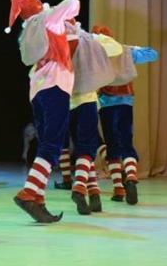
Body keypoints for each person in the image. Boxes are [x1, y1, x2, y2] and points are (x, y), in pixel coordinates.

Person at [5, 0, 79, 223]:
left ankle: (38, 199)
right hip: (56, 85)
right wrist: (59, 13)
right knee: (53, 144)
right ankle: (28, 193)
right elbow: (72, 1)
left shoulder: (27, 29)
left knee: (46, 143)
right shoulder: (48, 18)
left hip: (37, 89)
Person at [92, 25, 158, 205]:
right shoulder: (124, 51)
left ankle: (118, 189)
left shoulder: (95, 53)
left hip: (106, 103)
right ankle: (131, 176)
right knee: (127, 142)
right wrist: (132, 48)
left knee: (112, 146)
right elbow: (153, 54)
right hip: (125, 102)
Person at [62, 20, 122, 215]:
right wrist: (97, 36)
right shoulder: (87, 40)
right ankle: (79, 186)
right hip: (86, 99)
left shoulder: (59, 40)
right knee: (87, 148)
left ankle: (94, 195)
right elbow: (116, 48)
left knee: (82, 149)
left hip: (67, 101)